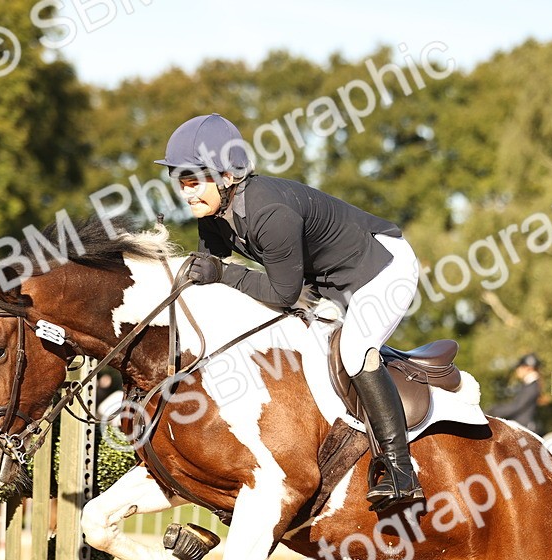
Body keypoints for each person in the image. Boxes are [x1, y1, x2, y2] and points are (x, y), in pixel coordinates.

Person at [155, 113, 423, 512]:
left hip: (380, 269)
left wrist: (223, 274)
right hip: (328, 282)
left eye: (193, 180)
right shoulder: (214, 216)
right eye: (180, 181)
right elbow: (210, 278)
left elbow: (283, 293)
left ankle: (401, 470)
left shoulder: (270, 212)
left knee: (354, 351)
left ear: (226, 176)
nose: (185, 191)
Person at [487, 353, 545, 434]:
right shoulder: (528, 385)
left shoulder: (531, 387)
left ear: (527, 368)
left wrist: (493, 412)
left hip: (523, 428)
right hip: (519, 425)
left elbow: (516, 406)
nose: (517, 370)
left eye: (519, 368)